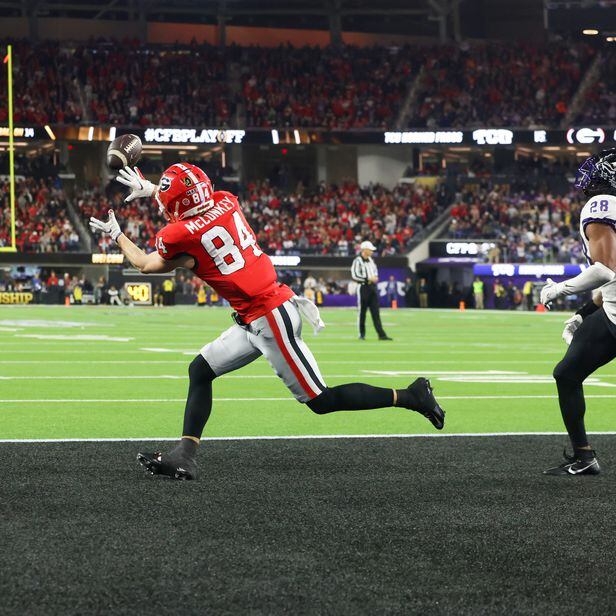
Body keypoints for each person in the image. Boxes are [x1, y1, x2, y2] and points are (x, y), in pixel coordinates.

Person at [89, 163, 445, 480]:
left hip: (269, 316)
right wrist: (153, 189)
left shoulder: (178, 238)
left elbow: (146, 263)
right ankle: (185, 454)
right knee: (200, 371)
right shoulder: (227, 200)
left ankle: (411, 396)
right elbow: (196, 210)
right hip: (255, 314)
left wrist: (117, 233)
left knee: (320, 401)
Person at [540, 148, 616, 475]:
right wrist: (583, 314)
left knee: (567, 375)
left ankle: (585, 457)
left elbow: (604, 270)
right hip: (610, 312)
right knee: (566, 373)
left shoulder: (602, 205)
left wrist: (558, 289)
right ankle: (584, 457)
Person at [351, 240, 392, 340]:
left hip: (372, 287)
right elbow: (355, 275)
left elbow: (375, 271)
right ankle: (362, 334)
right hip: (363, 287)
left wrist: (375, 278)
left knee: (376, 312)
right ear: (364, 250)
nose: (372, 252)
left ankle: (381, 334)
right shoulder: (357, 261)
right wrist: (368, 278)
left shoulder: (371, 260)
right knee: (362, 312)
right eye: (370, 250)